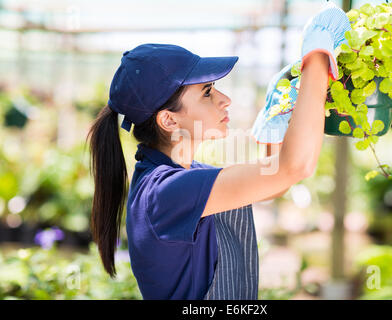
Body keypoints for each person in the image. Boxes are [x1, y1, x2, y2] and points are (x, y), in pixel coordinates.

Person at [86, 3, 351, 300]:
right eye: (207, 92)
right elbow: (294, 167)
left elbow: (273, 183)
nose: (225, 99)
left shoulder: (187, 175)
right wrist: (316, 58)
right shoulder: (165, 193)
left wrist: (275, 125)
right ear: (169, 119)